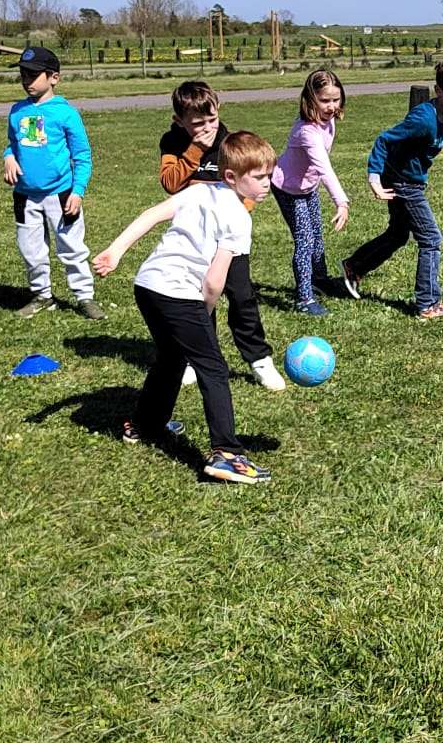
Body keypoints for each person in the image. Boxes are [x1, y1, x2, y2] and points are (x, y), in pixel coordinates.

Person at [93, 130, 277, 486]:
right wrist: (203, 313)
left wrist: (116, 251)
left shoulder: (198, 190)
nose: (267, 183)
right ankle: (226, 455)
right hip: (177, 293)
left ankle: (144, 424)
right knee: (213, 367)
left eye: (269, 174)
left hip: (147, 286)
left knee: (172, 357)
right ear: (231, 177)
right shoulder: (240, 218)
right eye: (259, 177)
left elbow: (151, 214)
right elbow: (214, 282)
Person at [155, 80, 287, 391]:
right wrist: (196, 150)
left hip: (228, 238)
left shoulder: (230, 143)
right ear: (179, 121)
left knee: (242, 297)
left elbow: (249, 187)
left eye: (212, 119)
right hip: (193, 240)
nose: (207, 128)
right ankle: (196, 358)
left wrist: (239, 213)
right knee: (198, 299)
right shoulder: (172, 142)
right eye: (197, 123)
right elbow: (171, 184)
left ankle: (259, 359)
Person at [339, 58, 443, 319]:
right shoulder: (423, 119)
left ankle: (354, 266)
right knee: (431, 239)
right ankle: (428, 304)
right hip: (403, 182)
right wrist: (374, 179)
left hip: (406, 180)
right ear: (439, 90)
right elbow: (384, 140)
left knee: (398, 234)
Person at [1, 45, 104, 319]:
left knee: (71, 248)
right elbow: (14, 144)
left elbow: (82, 156)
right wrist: (8, 157)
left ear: (54, 77)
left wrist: (78, 191)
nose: (27, 80)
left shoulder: (65, 113)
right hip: (25, 197)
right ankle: (42, 295)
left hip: (61, 195)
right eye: (23, 74)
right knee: (31, 250)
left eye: (33, 75)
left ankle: (84, 297)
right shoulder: (17, 111)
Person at [271, 69, 350, 315]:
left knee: (316, 234)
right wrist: (341, 202)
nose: (331, 106)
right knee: (304, 240)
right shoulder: (307, 132)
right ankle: (304, 298)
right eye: (324, 100)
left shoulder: (329, 120)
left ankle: (319, 279)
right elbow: (324, 167)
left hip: (308, 186)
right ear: (310, 99)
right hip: (288, 188)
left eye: (335, 99)